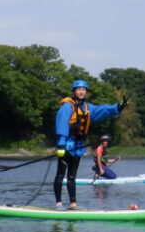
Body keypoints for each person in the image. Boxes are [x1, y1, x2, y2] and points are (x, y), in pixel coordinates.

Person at [54, 79, 126, 208]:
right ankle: (58, 204)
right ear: (74, 91)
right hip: (66, 145)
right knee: (60, 174)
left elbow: (102, 110)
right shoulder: (67, 106)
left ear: (86, 92)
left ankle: (73, 204)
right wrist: (61, 144)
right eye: (78, 89)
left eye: (83, 89)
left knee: (72, 176)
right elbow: (62, 124)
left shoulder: (87, 108)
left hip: (78, 146)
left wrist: (117, 107)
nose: (81, 91)